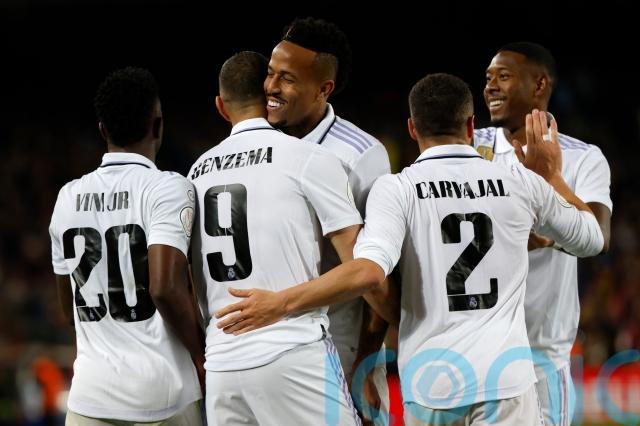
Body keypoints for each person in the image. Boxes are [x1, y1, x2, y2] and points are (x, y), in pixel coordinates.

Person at [215, 73, 605, 425]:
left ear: (412, 129)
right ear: (471, 126)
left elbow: (368, 272)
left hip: (431, 381)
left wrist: (281, 302)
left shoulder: (397, 189)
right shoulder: (519, 181)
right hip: (504, 377)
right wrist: (552, 176)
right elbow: (591, 239)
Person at [188, 51, 363, 426]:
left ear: (221, 106)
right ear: (271, 97)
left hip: (221, 365)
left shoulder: (195, 173)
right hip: (292, 351)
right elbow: (360, 267)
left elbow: (185, 274)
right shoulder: (306, 157)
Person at [48, 67, 205, 425]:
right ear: (158, 126)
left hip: (89, 397)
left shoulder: (67, 197)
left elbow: (67, 309)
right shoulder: (167, 187)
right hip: (163, 393)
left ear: (102, 129)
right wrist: (201, 354)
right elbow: (164, 287)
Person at [263, 17, 391, 424]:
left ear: (324, 89)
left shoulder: (360, 155)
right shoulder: (255, 144)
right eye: (270, 73)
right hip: (263, 350)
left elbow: (381, 269)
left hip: (337, 349)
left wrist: (365, 364)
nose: (271, 87)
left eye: (287, 79)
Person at [477, 42, 613, 425]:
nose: (490, 87)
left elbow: (600, 235)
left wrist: (552, 181)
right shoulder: (469, 147)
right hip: (475, 352)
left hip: (542, 358)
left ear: (540, 85)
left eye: (503, 76)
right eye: (488, 78)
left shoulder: (583, 157)